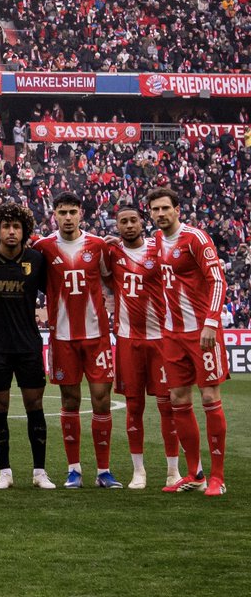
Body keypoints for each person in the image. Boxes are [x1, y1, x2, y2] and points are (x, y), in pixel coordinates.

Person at [33, 192, 119, 489]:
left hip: (97, 337)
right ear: (53, 214)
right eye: (62, 212)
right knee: (70, 400)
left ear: (81, 213)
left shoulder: (98, 245)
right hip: (62, 337)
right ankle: (74, 470)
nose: (67, 217)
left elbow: (111, 281)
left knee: (102, 400)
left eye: (72, 212)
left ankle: (104, 471)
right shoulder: (42, 247)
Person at [0, 203, 55, 490]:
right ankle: (4, 472)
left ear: (25, 231)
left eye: (16, 226)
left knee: (35, 405)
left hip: (29, 345)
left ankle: (40, 472)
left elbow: (54, 288)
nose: (11, 231)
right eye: (6, 226)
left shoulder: (37, 260)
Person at [148, 187, 229, 496]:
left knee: (209, 398)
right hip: (171, 334)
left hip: (202, 333)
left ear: (177, 209)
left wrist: (211, 321)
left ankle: (218, 478)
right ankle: (195, 474)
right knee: (179, 400)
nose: (159, 214)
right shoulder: (155, 241)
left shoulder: (195, 238)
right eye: (155, 210)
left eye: (165, 208)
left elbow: (217, 280)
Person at [106, 203, 178, 490]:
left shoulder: (157, 250)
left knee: (167, 406)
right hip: (127, 341)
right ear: (117, 226)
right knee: (134, 406)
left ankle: (173, 470)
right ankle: (139, 471)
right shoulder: (112, 253)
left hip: (160, 339)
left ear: (142, 221)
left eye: (133, 220)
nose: (129, 226)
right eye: (123, 222)